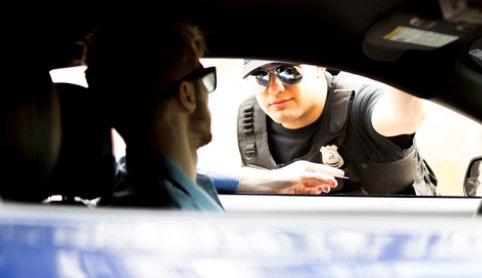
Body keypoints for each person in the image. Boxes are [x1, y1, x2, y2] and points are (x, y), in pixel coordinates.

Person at [83, 21, 339, 211]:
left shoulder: (129, 180)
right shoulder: (173, 216)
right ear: (187, 95)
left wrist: (271, 180)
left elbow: (201, 174)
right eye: (205, 79)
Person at [230, 60, 438, 195]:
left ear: (319, 65)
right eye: (261, 77)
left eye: (288, 71)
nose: (274, 89)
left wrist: (396, 54)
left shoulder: (360, 103)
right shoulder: (251, 117)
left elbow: (406, 118)